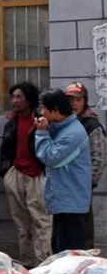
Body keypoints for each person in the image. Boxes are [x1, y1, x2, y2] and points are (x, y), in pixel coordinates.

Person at [0, 82, 51, 267]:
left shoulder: (41, 121)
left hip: (37, 174)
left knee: (41, 220)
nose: (15, 101)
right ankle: (27, 261)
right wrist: (6, 172)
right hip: (16, 174)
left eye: (19, 97)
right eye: (13, 97)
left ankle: (44, 262)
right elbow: (5, 150)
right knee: (21, 222)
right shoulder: (11, 123)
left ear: (29, 100)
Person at [34, 89, 92, 253]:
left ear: (55, 109)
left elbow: (51, 158)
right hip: (63, 201)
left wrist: (42, 133)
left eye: (44, 108)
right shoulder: (60, 128)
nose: (41, 112)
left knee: (71, 255)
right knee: (60, 251)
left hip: (71, 203)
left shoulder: (73, 133)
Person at [66, 82, 106, 247]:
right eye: (70, 100)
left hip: (81, 185)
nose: (74, 104)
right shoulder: (63, 122)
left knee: (82, 228)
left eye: (78, 100)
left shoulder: (91, 124)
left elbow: (99, 157)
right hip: (63, 185)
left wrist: (88, 182)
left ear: (85, 101)